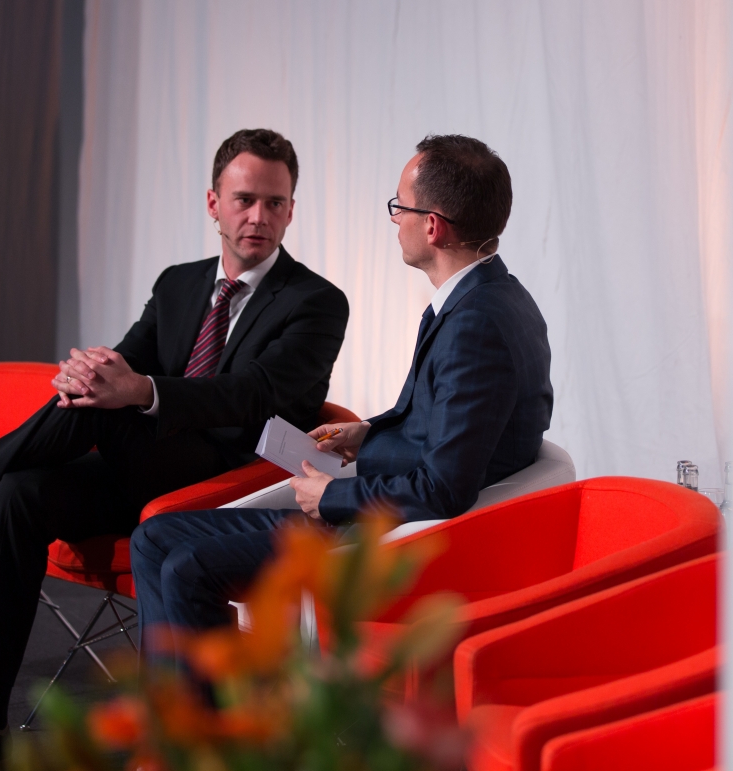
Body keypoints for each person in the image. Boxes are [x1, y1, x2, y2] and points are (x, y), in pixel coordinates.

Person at [0, 128, 349, 730]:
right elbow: (126, 358)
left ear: (292, 210)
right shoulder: (179, 283)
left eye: (275, 203)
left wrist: (135, 390)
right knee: (22, 492)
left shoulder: (317, 301)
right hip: (144, 464)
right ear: (213, 204)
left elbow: (258, 394)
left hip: (226, 479)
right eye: (245, 199)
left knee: (105, 402)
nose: (259, 217)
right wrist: (86, 372)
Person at [130, 134, 552, 650]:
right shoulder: (486, 297)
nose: (396, 221)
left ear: (433, 226)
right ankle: (187, 720)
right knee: (154, 539)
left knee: (187, 566)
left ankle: (213, 726)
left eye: (400, 208)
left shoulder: (477, 324)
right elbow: (445, 429)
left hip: (387, 535)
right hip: (375, 506)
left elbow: (446, 488)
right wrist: (368, 434)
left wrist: (334, 495)